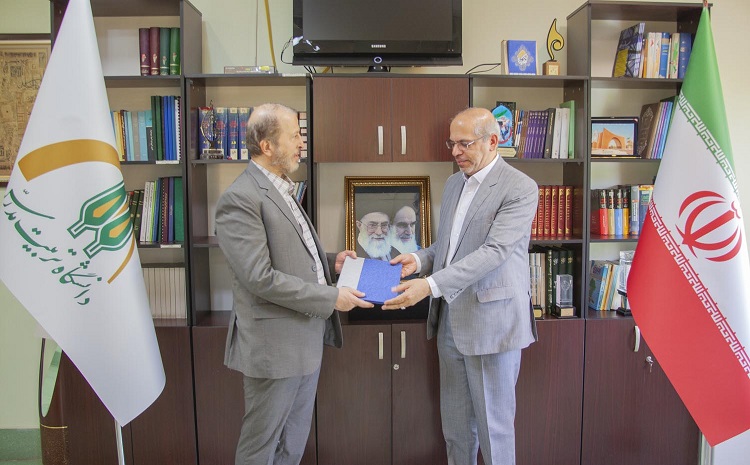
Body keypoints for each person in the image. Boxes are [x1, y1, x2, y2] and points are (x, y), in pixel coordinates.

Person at [215, 103, 374, 465]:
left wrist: (330, 262)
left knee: (291, 447)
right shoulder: (240, 198)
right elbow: (260, 277)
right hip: (274, 350)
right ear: (267, 146)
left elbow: (290, 254)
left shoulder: (281, 188)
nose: (303, 143)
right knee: (261, 449)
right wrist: (330, 298)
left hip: (304, 344)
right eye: (295, 136)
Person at [383, 107, 538, 465]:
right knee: (455, 429)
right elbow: (449, 246)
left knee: (494, 431)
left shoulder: (519, 187)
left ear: (492, 141)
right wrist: (419, 259)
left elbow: (494, 252)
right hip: (450, 322)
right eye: (451, 143)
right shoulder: (455, 183)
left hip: (491, 325)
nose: (455, 152)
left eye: (464, 144)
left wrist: (429, 285)